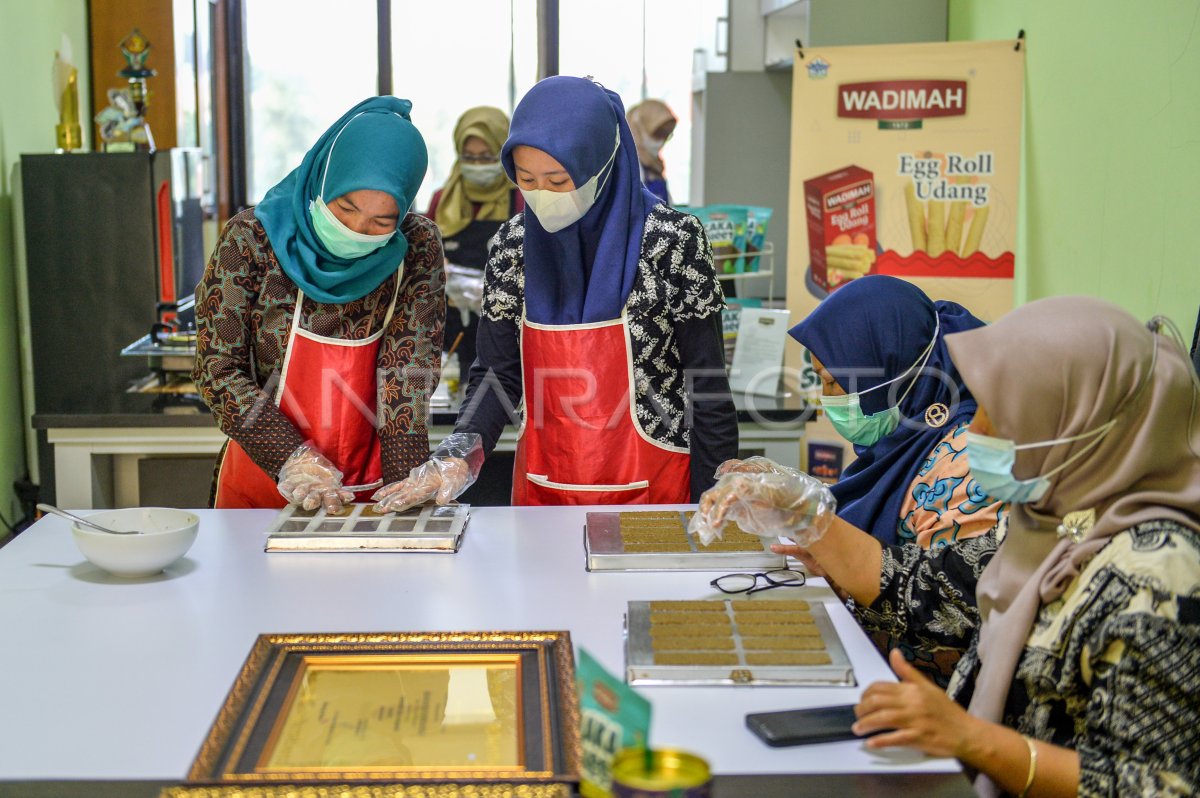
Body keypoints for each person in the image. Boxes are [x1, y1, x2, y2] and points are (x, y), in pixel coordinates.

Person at [694, 296, 1200, 796]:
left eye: (999, 412)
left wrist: (973, 739)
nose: (974, 430)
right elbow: (921, 585)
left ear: (1076, 426)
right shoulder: (1054, 524)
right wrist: (804, 515)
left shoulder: (1158, 573)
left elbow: (1159, 787)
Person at [373, 76, 737, 512]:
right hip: (545, 490)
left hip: (656, 494)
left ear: (601, 165)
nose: (541, 196)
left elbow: (706, 384)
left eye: (558, 180)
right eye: (526, 179)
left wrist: (712, 498)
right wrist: (457, 455)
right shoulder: (513, 245)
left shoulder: (673, 242)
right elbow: (496, 374)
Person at [718, 276, 1004, 682]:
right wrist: (785, 486)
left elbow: (943, 609)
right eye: (819, 381)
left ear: (892, 373)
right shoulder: (908, 438)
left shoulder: (966, 465)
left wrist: (827, 550)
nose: (825, 398)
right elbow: (872, 508)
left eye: (834, 383)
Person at [194, 96, 444, 511]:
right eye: (345, 208)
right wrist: (292, 459)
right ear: (325, 180)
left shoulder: (416, 246)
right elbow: (217, 369)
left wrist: (406, 490)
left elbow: (407, 371)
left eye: (382, 222)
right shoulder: (252, 240)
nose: (357, 229)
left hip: (371, 489)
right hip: (265, 480)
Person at [425, 106, 524, 376]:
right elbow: (423, 256)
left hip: (504, 327)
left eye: (485, 157)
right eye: (469, 157)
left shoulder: (521, 198)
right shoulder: (442, 200)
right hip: (449, 327)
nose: (478, 166)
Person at [626, 98, 676, 204]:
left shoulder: (655, 165)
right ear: (639, 128)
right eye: (658, 133)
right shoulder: (630, 164)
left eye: (666, 135)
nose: (661, 141)